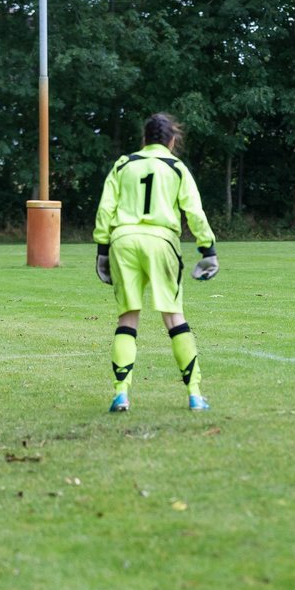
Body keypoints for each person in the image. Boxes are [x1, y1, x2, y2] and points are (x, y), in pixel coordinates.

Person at [93, 113, 219, 412]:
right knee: (174, 317)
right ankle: (194, 394)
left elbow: (106, 208)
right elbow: (194, 210)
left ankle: (121, 394)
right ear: (172, 140)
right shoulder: (176, 167)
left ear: (144, 139)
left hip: (123, 241)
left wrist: (101, 248)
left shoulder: (123, 164)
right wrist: (207, 249)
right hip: (161, 242)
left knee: (127, 318)